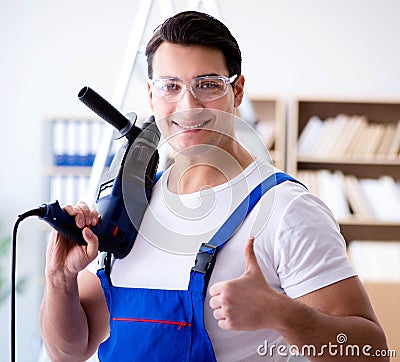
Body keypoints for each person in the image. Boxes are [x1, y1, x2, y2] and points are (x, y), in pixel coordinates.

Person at [39, 10, 388, 362]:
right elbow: (69, 350)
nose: (188, 106)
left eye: (207, 85)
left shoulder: (286, 210)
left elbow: (370, 353)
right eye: (170, 87)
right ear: (151, 96)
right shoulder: (132, 209)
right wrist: (59, 279)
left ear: (237, 91)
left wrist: (282, 313)